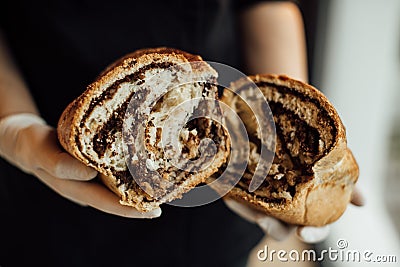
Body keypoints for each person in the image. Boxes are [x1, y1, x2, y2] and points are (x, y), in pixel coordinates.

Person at [0, 0, 362, 266]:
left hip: (215, 211)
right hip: (47, 196)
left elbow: (266, 5)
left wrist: (278, 133)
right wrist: (12, 122)